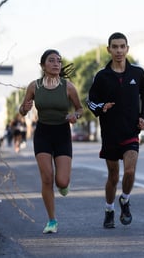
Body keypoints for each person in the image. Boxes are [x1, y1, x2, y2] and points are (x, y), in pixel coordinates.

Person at [87, 32, 144, 229]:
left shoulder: (138, 74)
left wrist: (143, 117)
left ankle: (125, 200)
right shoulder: (102, 76)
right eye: (114, 47)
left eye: (122, 46)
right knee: (113, 176)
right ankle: (109, 209)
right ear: (109, 50)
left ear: (127, 49)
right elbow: (90, 101)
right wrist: (101, 107)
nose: (118, 50)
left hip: (131, 132)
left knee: (130, 171)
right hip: (110, 133)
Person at [18, 49, 83, 234]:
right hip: (43, 133)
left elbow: (80, 109)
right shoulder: (34, 86)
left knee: (61, 181)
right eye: (51, 60)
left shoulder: (68, 86)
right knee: (47, 178)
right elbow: (22, 111)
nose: (56, 64)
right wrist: (24, 107)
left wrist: (75, 115)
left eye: (59, 61)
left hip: (62, 133)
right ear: (43, 65)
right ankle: (52, 220)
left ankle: (64, 185)